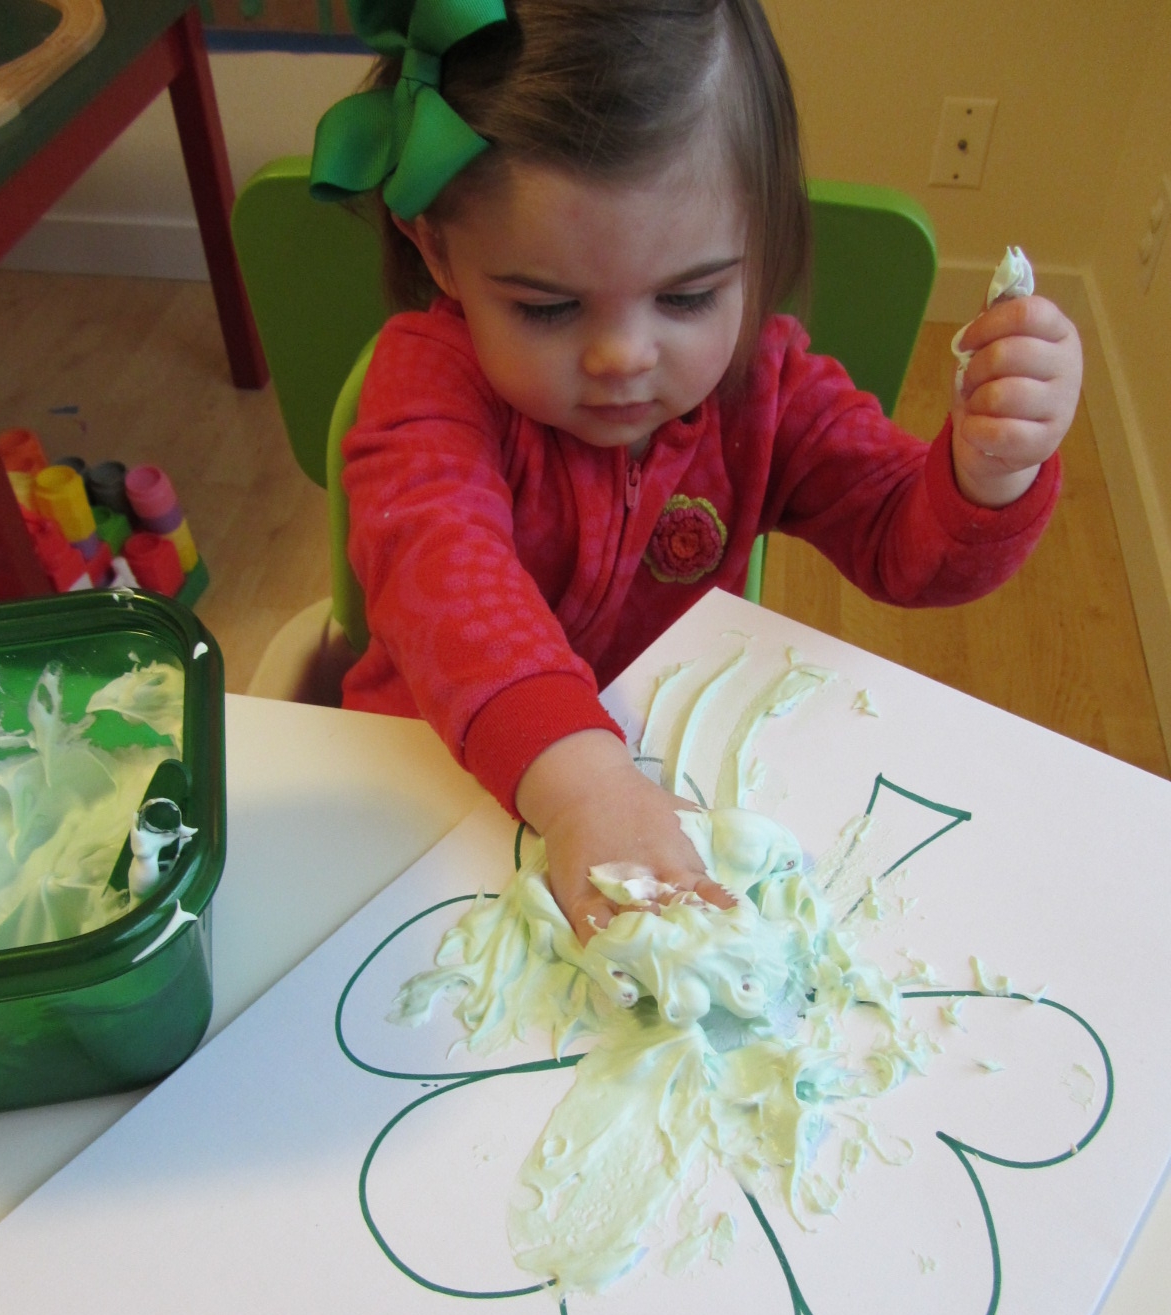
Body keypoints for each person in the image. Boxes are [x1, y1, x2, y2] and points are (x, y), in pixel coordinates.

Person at [310, 0, 1083, 945]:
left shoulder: (767, 390)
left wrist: (988, 468)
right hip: (426, 792)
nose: (623, 357)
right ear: (437, 247)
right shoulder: (428, 387)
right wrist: (585, 779)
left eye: (688, 296)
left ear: (754, 242)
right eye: (549, 308)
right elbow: (443, 574)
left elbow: (906, 549)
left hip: (651, 791)